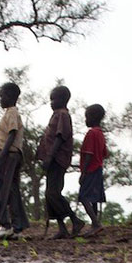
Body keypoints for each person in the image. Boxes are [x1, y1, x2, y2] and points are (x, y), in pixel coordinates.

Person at [37, 85, 82, 239]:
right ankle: (62, 227)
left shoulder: (62, 115)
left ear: (63, 100)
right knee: (50, 194)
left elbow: (60, 136)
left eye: (53, 99)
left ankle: (75, 220)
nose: (51, 102)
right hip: (52, 159)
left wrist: (50, 156)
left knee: (52, 192)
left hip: (57, 159)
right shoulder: (56, 115)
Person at [0, 82, 29, 240]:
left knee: (0, 189)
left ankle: (6, 225)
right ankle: (17, 227)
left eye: (2, 96)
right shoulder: (10, 113)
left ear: (12, 97)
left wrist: (1, 157)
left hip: (9, 155)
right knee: (11, 191)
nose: (0, 99)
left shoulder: (12, 113)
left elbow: (12, 134)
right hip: (11, 155)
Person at [78, 103, 108, 237]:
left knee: (84, 197)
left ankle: (96, 223)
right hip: (99, 169)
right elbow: (105, 153)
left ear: (93, 117)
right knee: (94, 198)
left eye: (87, 117)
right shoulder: (101, 134)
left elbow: (89, 154)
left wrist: (83, 173)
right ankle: (94, 224)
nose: (85, 120)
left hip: (90, 169)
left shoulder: (91, 133)